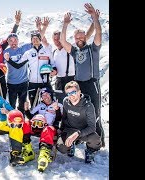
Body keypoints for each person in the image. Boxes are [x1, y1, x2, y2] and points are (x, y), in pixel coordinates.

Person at [59, 3, 105, 147]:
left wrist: (94, 18)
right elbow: (62, 41)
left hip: (92, 83)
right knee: (79, 112)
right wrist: (65, 24)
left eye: (81, 37)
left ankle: (97, 141)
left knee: (95, 112)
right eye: (77, 38)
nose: (79, 40)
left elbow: (98, 33)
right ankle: (78, 137)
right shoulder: (75, 51)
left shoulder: (93, 49)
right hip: (78, 85)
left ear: (85, 37)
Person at [56, 81, 102, 164]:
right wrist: (61, 129)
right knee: (61, 147)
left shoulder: (88, 106)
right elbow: (64, 117)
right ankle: (70, 146)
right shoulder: (66, 102)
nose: (71, 95)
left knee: (96, 140)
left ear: (79, 92)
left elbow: (92, 127)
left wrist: (78, 133)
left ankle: (90, 150)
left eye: (73, 92)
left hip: (84, 131)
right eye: (68, 93)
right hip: (70, 129)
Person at [14, 17, 55, 107]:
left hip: (45, 82)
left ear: (40, 39)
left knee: (49, 104)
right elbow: (18, 65)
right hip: (32, 83)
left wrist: (54, 70)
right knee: (34, 105)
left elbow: (53, 64)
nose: (35, 40)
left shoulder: (47, 50)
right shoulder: (28, 53)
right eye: (33, 38)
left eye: (37, 38)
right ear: (31, 41)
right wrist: (9, 60)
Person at [22, 87, 63, 172]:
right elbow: (31, 117)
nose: (45, 96)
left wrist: (57, 110)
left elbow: (60, 119)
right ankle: (28, 151)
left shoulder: (58, 105)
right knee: (25, 122)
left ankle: (44, 155)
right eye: (43, 95)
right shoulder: (40, 105)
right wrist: (26, 110)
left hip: (49, 128)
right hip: (37, 125)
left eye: (47, 94)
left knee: (47, 129)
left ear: (51, 94)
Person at [51, 15, 96, 91]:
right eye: (55, 39)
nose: (57, 41)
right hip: (59, 81)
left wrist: (94, 22)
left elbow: (86, 36)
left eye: (59, 39)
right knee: (60, 101)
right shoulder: (54, 52)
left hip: (71, 80)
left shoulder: (70, 48)